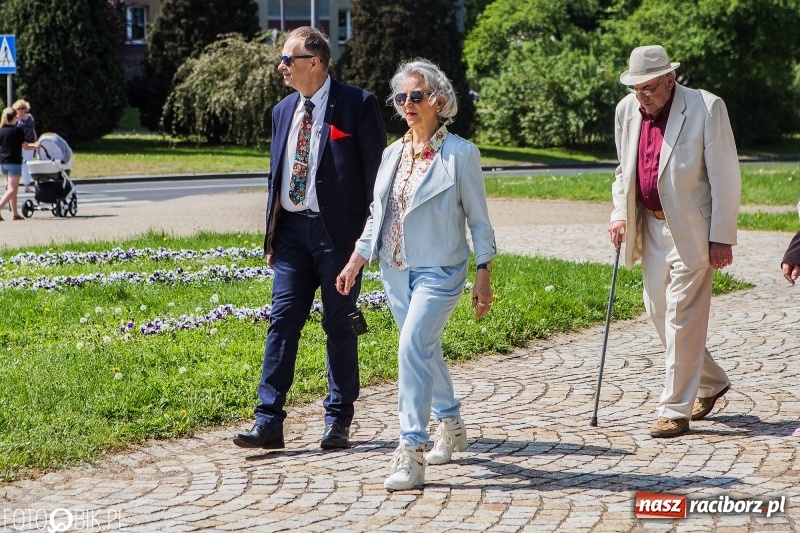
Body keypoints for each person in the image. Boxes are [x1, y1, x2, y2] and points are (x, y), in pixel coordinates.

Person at [336, 59, 497, 490]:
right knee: (422, 350)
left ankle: (410, 450)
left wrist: (484, 272)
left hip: (441, 269)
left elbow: (479, 221)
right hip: (395, 269)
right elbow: (378, 214)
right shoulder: (392, 154)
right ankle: (452, 422)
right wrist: (356, 258)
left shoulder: (461, 154)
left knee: (411, 346)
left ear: (439, 101)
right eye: (401, 97)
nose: (406, 104)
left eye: (416, 96)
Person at [232, 27, 386, 451]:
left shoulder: (358, 104)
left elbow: (378, 178)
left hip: (338, 237)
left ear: (314, 62)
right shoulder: (283, 110)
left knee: (339, 325)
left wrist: (367, 243)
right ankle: (268, 422)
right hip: (291, 237)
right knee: (282, 321)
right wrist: (271, 237)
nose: (281, 66)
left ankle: (338, 420)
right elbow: (275, 176)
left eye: (288, 59)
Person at [608, 45, 741, 438]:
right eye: (635, 89)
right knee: (658, 310)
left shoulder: (706, 107)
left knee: (682, 314)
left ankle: (674, 410)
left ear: (670, 79)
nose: (641, 96)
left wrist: (721, 237)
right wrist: (619, 214)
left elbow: (725, 176)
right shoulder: (626, 111)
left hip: (694, 228)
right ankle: (712, 381)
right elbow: (623, 172)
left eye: (648, 88)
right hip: (648, 225)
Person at [0, 107, 38, 220]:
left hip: (3, 162)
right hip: (14, 161)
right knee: (12, 189)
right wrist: (36, 146)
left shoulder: (1, 130)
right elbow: (25, 146)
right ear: (14, 117)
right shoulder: (17, 130)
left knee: (12, 189)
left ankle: (15, 214)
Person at [12, 99, 36, 193]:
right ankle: (14, 184)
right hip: (19, 144)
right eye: (19, 108)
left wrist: (36, 140)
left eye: (23, 108)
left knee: (28, 164)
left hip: (30, 143)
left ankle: (26, 185)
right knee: (19, 164)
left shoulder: (30, 117)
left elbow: (33, 129)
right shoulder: (15, 119)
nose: (21, 110)